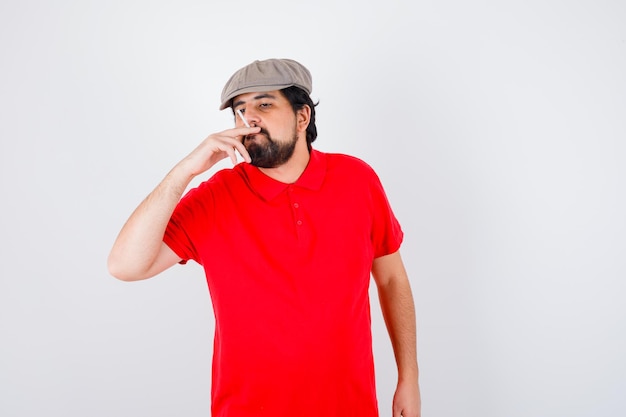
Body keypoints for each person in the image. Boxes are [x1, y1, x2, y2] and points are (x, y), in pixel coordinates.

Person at [108, 58, 421, 417]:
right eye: (240, 110)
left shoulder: (357, 180)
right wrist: (187, 169)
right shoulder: (215, 197)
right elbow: (124, 266)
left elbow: (392, 278)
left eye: (264, 104)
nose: (249, 118)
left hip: (350, 406)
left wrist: (408, 378)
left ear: (302, 117)